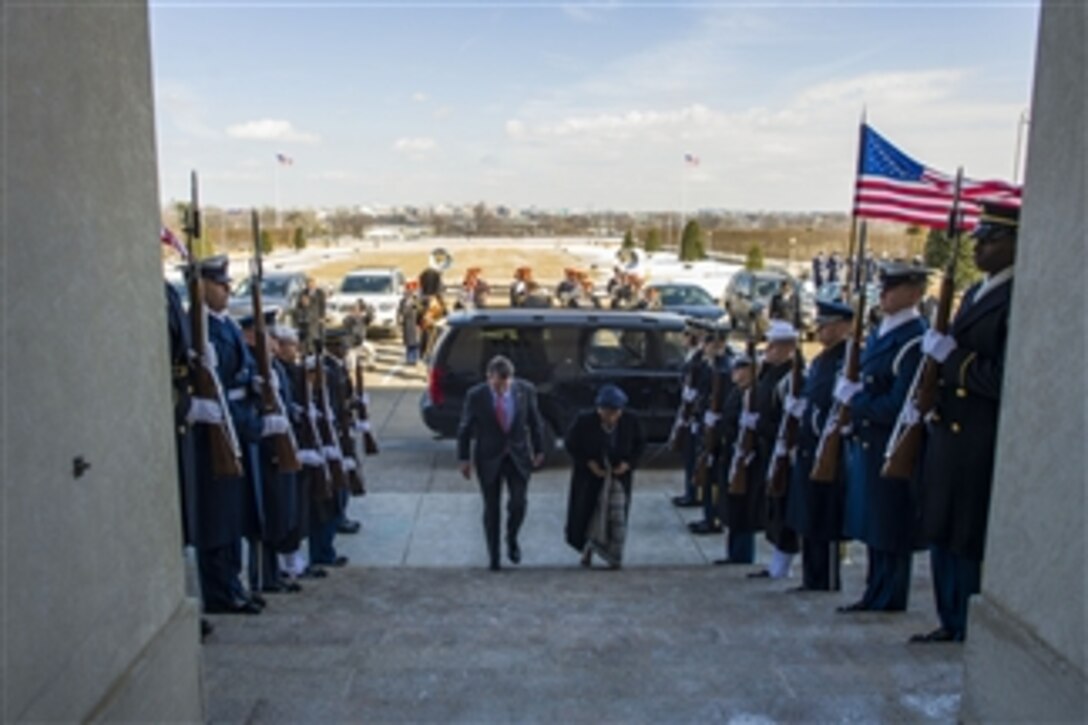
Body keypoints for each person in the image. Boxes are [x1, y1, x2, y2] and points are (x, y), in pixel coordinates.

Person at [911, 200, 1018, 644]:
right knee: (942, 527)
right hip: (948, 430)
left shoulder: (1017, 297)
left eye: (990, 240)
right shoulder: (977, 293)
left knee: (965, 534)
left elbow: (1004, 376)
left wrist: (950, 359)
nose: (979, 249)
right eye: (979, 239)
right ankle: (949, 616)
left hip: (976, 433)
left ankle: (966, 622)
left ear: (1015, 242)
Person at [837, 262, 929, 613]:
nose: (885, 293)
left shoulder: (914, 338)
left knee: (891, 525)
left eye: (893, 287)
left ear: (914, 293)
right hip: (868, 440)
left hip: (890, 443)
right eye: (884, 287)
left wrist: (856, 400)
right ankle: (875, 591)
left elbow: (899, 403)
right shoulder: (880, 332)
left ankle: (889, 595)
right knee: (874, 524)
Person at [190, 256, 265, 615]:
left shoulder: (228, 326)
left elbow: (244, 367)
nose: (226, 291)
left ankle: (234, 585)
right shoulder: (198, 327)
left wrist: (254, 383)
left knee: (234, 513)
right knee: (218, 516)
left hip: (236, 418)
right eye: (220, 285)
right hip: (218, 427)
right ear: (201, 286)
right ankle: (220, 591)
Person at [784, 300, 854, 591]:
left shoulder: (847, 358)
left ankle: (825, 576)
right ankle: (811, 576)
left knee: (825, 516)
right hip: (809, 443)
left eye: (826, 326)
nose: (821, 331)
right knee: (809, 514)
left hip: (829, 445)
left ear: (842, 327)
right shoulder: (823, 359)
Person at [457, 355, 545, 571]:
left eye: (504, 385)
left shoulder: (525, 391)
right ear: (489, 378)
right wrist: (464, 458)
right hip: (489, 457)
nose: (500, 389)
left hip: (517, 456)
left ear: (511, 380)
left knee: (518, 503)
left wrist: (539, 449)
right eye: (496, 385)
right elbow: (465, 428)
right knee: (492, 508)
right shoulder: (476, 396)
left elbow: (535, 421)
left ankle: (512, 538)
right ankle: (493, 555)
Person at [564, 385, 646, 569]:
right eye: (606, 412)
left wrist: (628, 464)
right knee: (591, 515)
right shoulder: (584, 421)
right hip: (591, 477)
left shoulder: (630, 422)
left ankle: (614, 555)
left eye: (614, 412)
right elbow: (571, 444)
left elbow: (640, 445)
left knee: (616, 517)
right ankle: (588, 550)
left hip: (618, 477)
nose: (610, 417)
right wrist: (588, 462)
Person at [746, 320, 802, 580]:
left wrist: (762, 425)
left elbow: (786, 420)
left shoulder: (792, 378)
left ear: (789, 348)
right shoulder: (769, 373)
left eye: (775, 346)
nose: (769, 350)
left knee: (782, 505)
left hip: (781, 448)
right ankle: (776, 561)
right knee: (771, 505)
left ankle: (783, 564)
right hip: (767, 445)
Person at [713, 353, 756, 565]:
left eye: (742, 369)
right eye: (736, 369)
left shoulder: (752, 395)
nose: (737, 373)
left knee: (741, 509)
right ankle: (734, 552)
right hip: (730, 453)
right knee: (731, 506)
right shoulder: (735, 393)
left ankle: (741, 554)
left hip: (744, 457)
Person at [399, 280, 421, 364]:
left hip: (416, 323)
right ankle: (409, 358)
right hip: (408, 323)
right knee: (409, 342)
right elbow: (402, 312)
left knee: (416, 342)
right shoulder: (403, 301)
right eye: (409, 290)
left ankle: (414, 358)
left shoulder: (416, 300)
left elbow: (420, 310)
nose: (411, 292)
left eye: (412, 290)